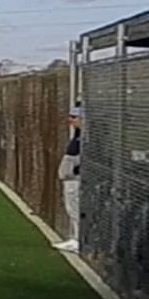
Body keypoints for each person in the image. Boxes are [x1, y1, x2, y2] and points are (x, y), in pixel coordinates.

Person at [55, 103, 83, 252]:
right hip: (69, 178)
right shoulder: (78, 135)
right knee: (71, 209)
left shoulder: (85, 138)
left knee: (75, 209)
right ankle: (74, 238)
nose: (71, 120)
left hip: (75, 180)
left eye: (74, 117)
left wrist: (75, 170)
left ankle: (78, 240)